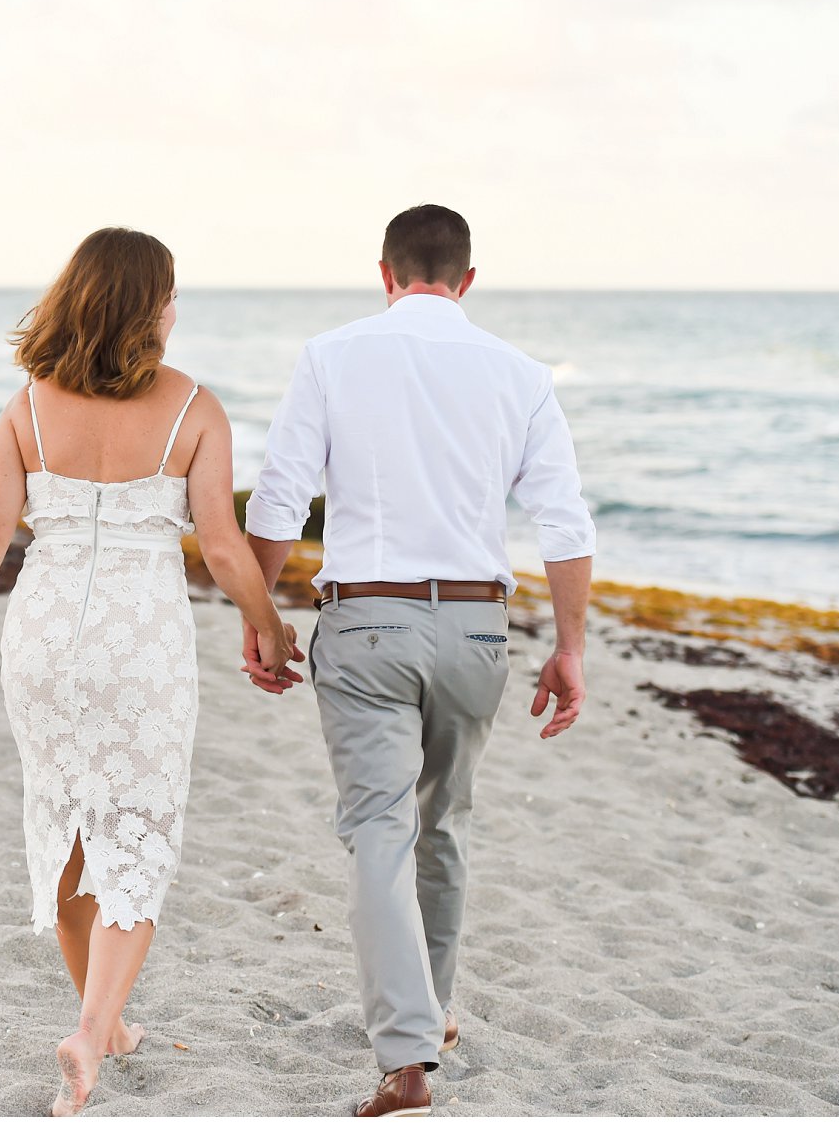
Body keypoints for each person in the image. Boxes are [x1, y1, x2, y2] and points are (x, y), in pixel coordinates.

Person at [0, 226, 298, 1116]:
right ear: (148, 306)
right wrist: (272, 627)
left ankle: (109, 1022)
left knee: (62, 826)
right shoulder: (193, 407)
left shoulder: (27, 406)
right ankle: (93, 1030)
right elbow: (220, 543)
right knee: (138, 831)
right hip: (143, 643)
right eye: (170, 294)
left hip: (45, 634)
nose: (176, 310)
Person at [241, 204, 596, 1117]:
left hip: (365, 623)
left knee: (377, 830)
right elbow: (564, 520)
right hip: (478, 627)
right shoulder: (521, 375)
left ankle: (406, 1057)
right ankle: (427, 1019)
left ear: (386, 273)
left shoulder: (332, 354)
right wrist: (571, 646)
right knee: (444, 824)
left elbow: (279, 496)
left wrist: (262, 615)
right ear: (467, 280)